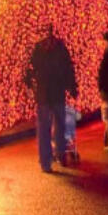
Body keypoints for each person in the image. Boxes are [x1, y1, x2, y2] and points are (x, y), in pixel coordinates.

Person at [25, 23, 79, 173]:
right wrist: (72, 88)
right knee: (59, 126)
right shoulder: (61, 48)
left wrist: (29, 83)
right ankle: (60, 153)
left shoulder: (38, 49)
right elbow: (69, 69)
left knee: (43, 129)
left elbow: (30, 69)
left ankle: (45, 162)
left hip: (43, 94)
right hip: (57, 93)